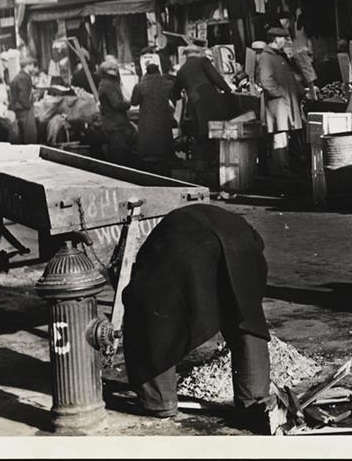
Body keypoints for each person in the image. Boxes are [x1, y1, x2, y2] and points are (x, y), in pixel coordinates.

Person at [122, 204, 271, 426]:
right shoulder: (242, 228)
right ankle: (254, 402)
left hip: (193, 248)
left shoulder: (153, 251)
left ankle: (159, 401)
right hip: (241, 247)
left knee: (150, 318)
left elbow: (149, 300)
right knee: (246, 318)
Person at [172, 45, 233, 165]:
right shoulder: (203, 61)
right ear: (198, 53)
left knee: (202, 133)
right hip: (212, 101)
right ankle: (220, 159)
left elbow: (175, 93)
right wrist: (228, 90)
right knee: (218, 129)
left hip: (195, 105)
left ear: (186, 56)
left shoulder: (181, 71)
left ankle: (207, 161)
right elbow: (216, 78)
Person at [257, 27, 304, 176]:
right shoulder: (267, 57)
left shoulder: (279, 56)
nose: (286, 41)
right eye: (284, 38)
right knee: (280, 136)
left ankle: (284, 168)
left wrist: (299, 90)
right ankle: (280, 172)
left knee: (284, 135)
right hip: (279, 104)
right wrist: (280, 93)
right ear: (276, 39)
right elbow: (265, 80)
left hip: (285, 102)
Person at [131, 63, 176, 162]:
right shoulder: (168, 84)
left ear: (146, 72)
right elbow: (175, 96)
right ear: (158, 71)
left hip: (146, 118)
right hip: (164, 117)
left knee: (148, 142)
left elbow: (134, 102)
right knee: (164, 140)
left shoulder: (140, 86)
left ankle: (148, 160)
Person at [98, 58, 134, 165]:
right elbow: (117, 104)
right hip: (116, 124)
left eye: (115, 68)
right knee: (118, 155)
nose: (115, 71)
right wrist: (128, 104)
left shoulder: (108, 83)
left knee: (118, 153)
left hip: (114, 123)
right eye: (112, 69)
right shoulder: (108, 84)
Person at [8, 56, 38, 144]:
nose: (33, 68)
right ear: (28, 66)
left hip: (18, 110)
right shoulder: (23, 78)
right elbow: (23, 97)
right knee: (30, 137)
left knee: (23, 136)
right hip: (24, 111)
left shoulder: (19, 77)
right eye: (32, 65)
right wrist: (29, 106)